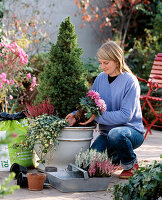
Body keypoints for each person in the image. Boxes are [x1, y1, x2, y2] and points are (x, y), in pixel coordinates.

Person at [65, 40, 145, 179]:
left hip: (131, 132)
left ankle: (131, 164)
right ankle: (116, 159)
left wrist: (96, 117)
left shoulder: (130, 81)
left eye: (106, 63)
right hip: (106, 134)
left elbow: (126, 115)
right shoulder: (100, 79)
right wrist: (75, 115)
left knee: (116, 134)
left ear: (116, 60)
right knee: (88, 164)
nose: (102, 66)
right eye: (100, 62)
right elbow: (90, 106)